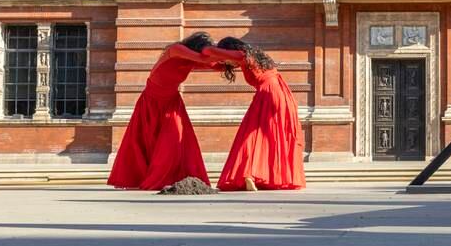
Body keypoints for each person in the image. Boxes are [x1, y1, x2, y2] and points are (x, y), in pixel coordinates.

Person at [108, 32, 225, 190]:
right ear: (197, 47)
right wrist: (221, 53)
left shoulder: (189, 61)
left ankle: (172, 176)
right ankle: (135, 179)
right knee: (144, 141)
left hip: (171, 102)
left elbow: (215, 66)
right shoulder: (176, 49)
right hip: (151, 100)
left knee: (177, 138)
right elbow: (204, 59)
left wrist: (236, 61)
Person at [203, 37, 304, 191]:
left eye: (226, 59)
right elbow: (215, 63)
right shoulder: (255, 56)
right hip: (281, 95)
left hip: (268, 94)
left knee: (250, 135)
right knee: (271, 136)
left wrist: (207, 47)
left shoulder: (242, 56)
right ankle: (262, 175)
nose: (227, 63)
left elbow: (208, 51)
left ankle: (249, 173)